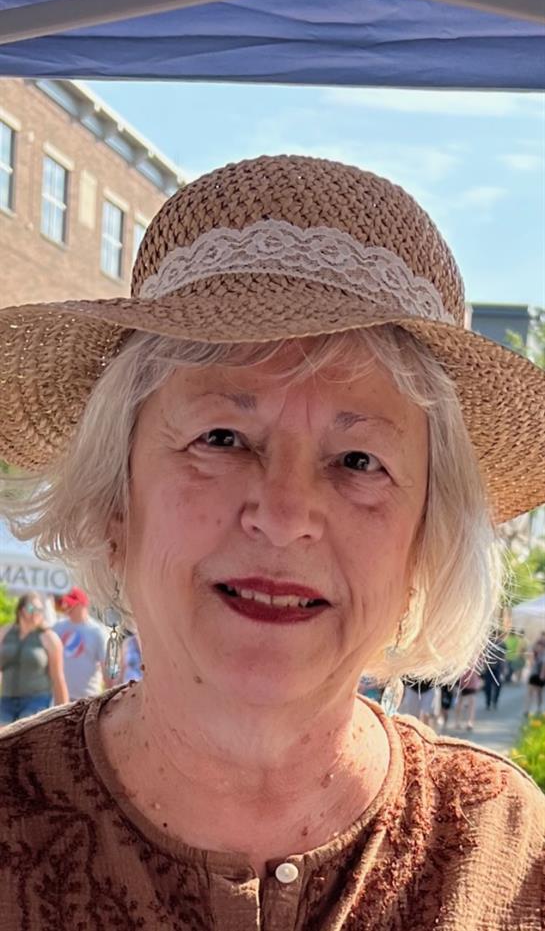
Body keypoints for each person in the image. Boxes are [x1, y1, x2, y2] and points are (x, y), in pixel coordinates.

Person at [0, 155, 543, 929]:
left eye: (359, 460)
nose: (285, 515)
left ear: (422, 541)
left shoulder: (505, 848)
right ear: (117, 500)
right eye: (222, 436)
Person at [0, 591, 68, 724]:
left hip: (36, 700)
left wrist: (64, 714)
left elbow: (58, 677)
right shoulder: (5, 633)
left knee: (25, 733)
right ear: (20, 610)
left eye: (39, 609)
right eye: (32, 608)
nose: (36, 612)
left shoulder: (49, 638)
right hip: (7, 698)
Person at [53, 587, 110, 700]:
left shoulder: (98, 632)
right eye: (65, 604)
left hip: (88, 698)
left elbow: (106, 668)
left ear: (82, 604)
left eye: (70, 604)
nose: (66, 608)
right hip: (60, 699)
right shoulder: (57, 628)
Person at [482, 630, 507, 711]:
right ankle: (488, 702)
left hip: (498, 668)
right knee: (487, 686)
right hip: (488, 668)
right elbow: (483, 655)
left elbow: (504, 657)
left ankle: (495, 701)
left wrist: (504, 668)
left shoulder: (502, 644)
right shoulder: (487, 644)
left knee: (498, 685)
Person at [525, 636, 545, 716]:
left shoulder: (543, 655)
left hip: (540, 676)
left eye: (540, 646)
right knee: (529, 693)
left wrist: (542, 675)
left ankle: (538, 708)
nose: (538, 647)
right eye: (537, 646)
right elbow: (531, 663)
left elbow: (544, 666)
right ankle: (527, 709)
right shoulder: (534, 654)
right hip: (533, 675)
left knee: (539, 693)